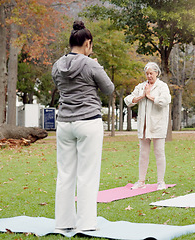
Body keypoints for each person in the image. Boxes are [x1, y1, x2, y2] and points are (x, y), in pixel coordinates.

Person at [52, 20, 114, 232]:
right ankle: (86, 223)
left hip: (65, 124)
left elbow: (61, 85)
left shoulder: (57, 65)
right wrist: (96, 66)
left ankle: (63, 222)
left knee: (65, 174)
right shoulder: (90, 64)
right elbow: (108, 88)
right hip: (88, 122)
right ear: (87, 43)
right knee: (87, 175)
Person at [124, 62, 171, 191]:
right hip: (143, 126)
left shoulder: (162, 86)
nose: (149, 76)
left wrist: (150, 96)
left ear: (157, 73)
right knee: (143, 154)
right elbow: (128, 100)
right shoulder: (141, 86)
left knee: (159, 153)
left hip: (157, 125)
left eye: (151, 73)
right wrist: (141, 96)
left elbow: (165, 100)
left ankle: (160, 181)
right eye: (147, 73)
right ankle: (141, 181)